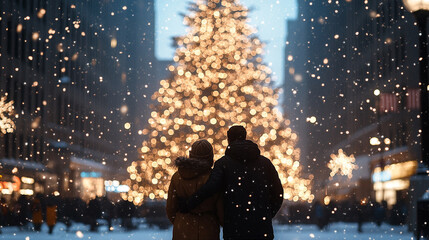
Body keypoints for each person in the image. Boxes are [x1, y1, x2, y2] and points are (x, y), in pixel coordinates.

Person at [181, 125, 283, 240]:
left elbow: (210, 188)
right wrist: (266, 214)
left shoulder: (223, 164)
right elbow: (278, 193)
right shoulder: (265, 163)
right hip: (261, 228)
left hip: (235, 227)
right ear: (245, 137)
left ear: (228, 140)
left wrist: (189, 203)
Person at [166, 139, 224, 240]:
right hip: (208, 229)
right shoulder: (213, 179)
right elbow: (221, 211)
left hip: (182, 228)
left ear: (190, 155)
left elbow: (171, 208)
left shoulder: (177, 177)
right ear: (210, 157)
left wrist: (182, 221)